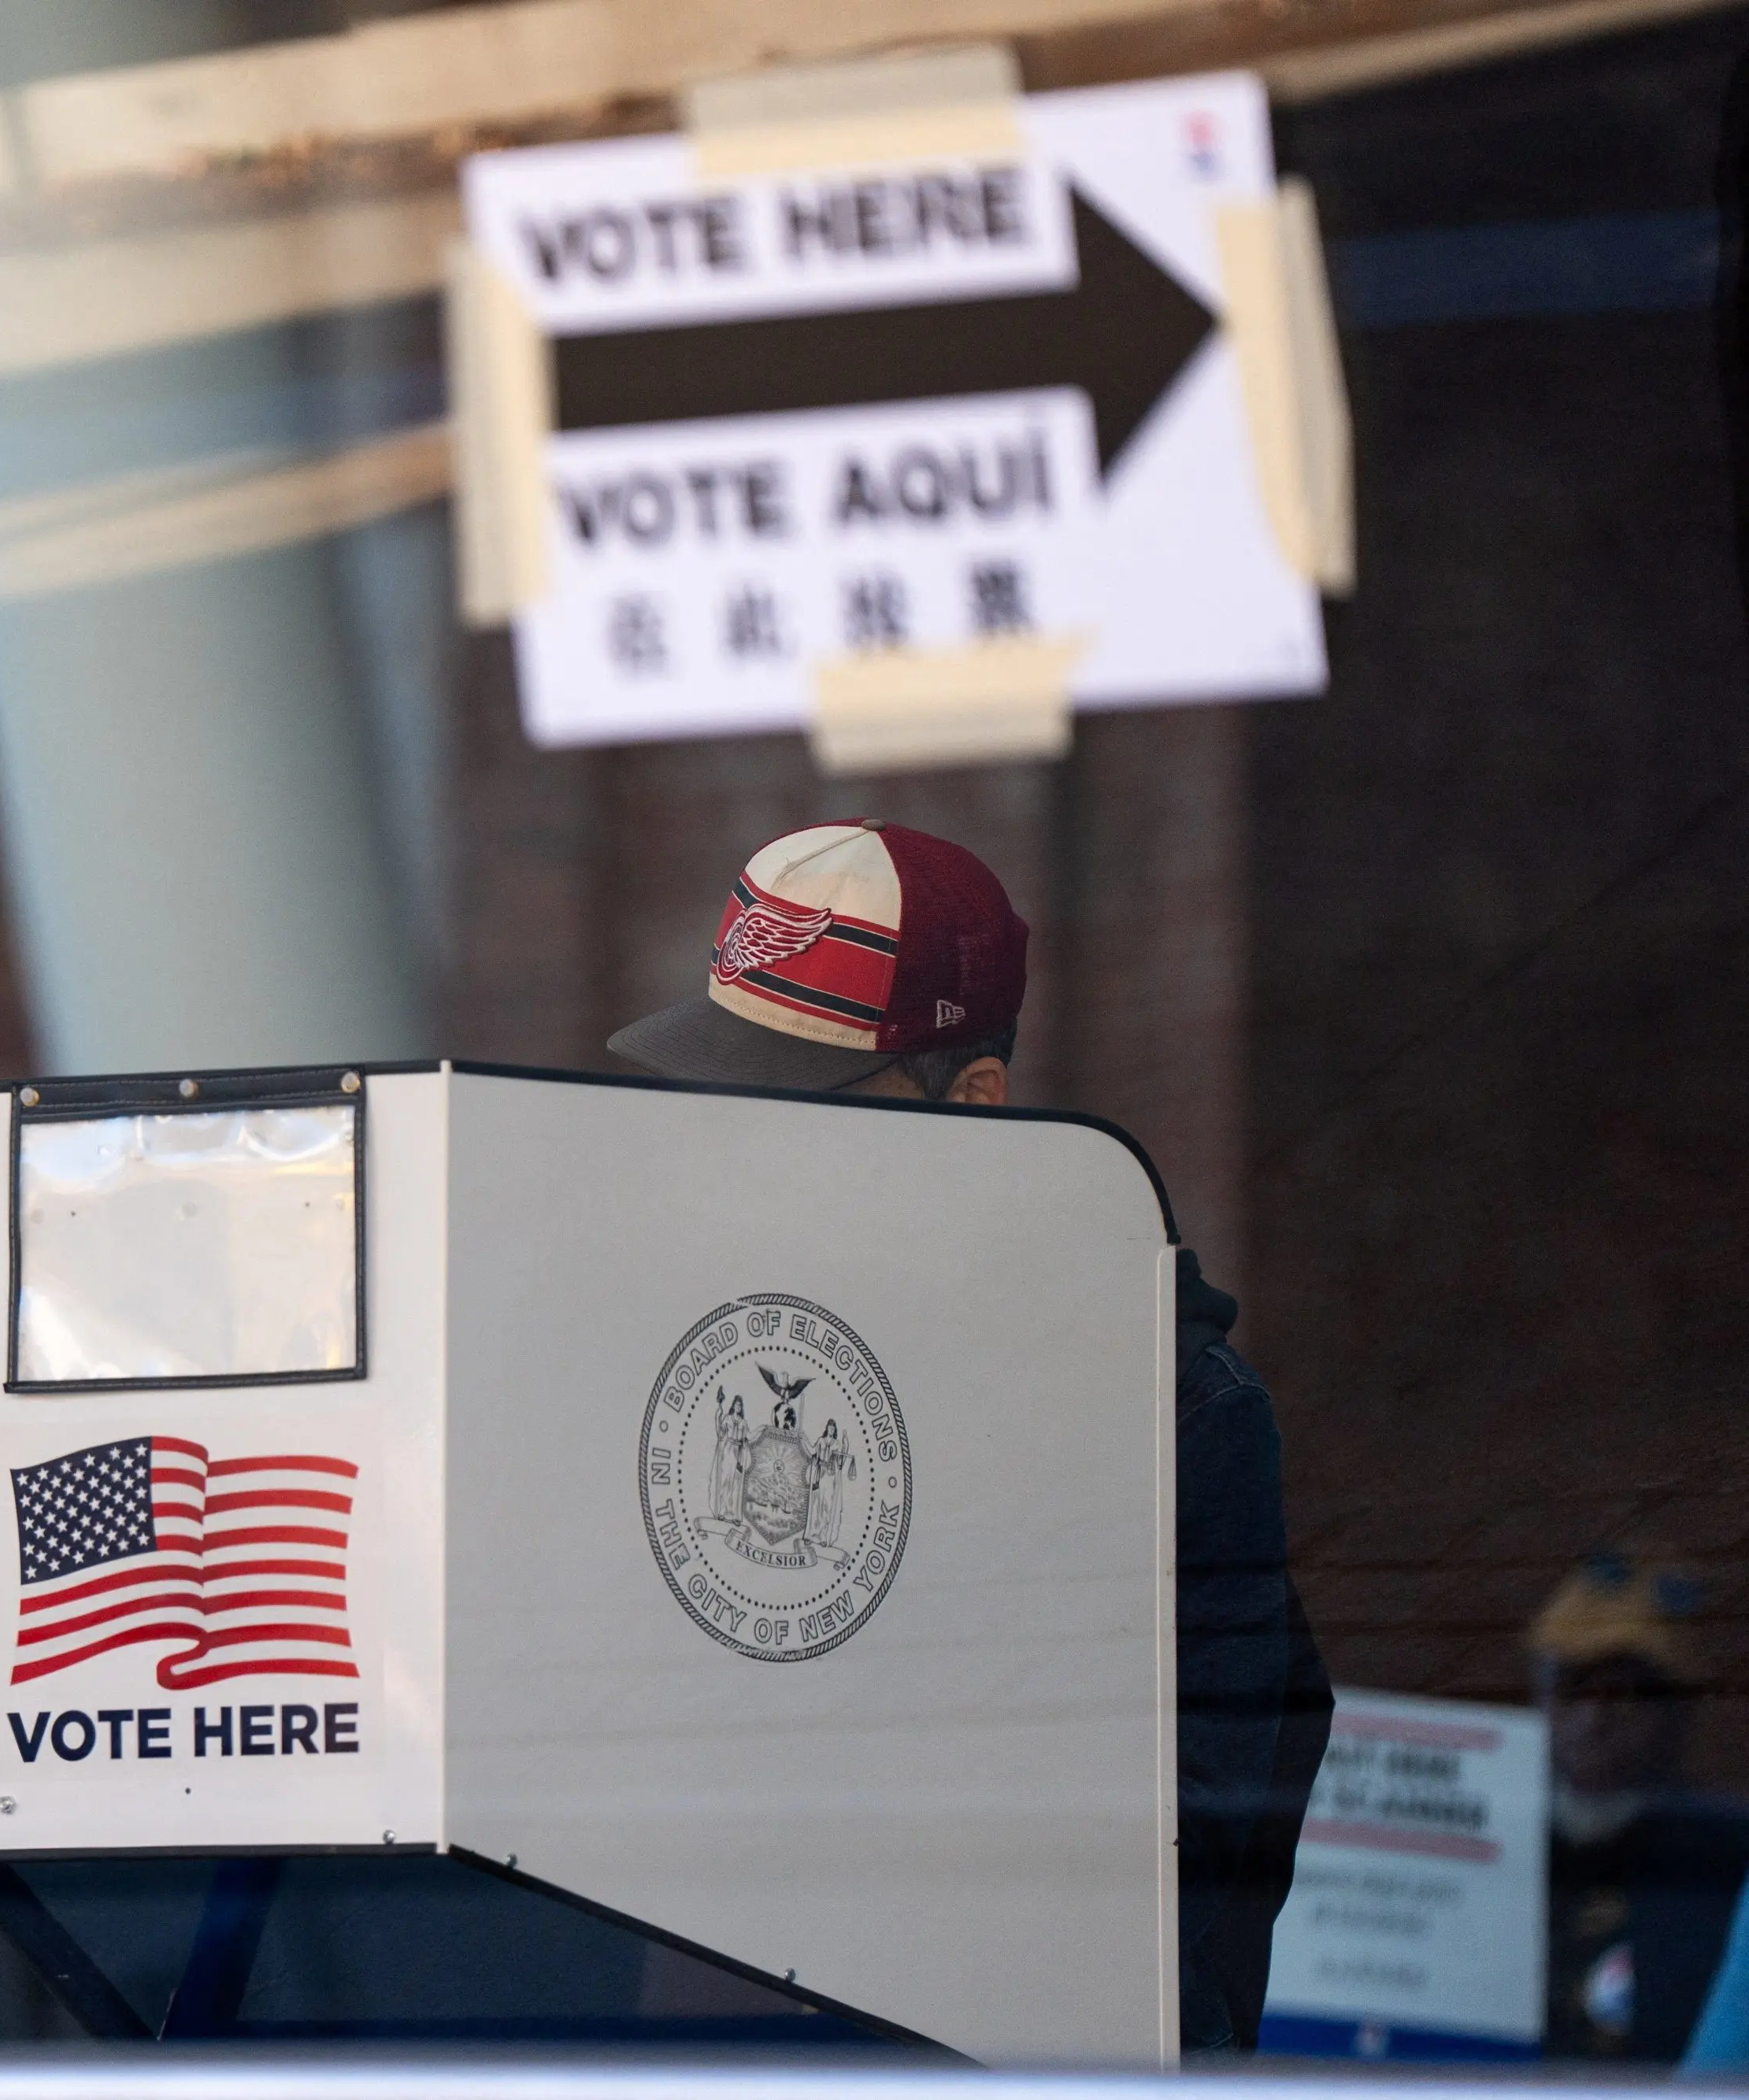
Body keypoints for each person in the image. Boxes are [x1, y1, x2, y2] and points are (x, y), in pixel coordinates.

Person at [607, 816, 1334, 2055]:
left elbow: (1156, 1866)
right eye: (717, 1101)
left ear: (976, 1103)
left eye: (797, 1107)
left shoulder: (1159, 1403)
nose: (741, 1150)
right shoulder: (689, 1350)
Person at [1515, 1553, 1748, 2061]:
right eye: (1576, 1686)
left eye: (1625, 1691)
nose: (1594, 1717)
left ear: (1677, 1709)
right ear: (1543, 1695)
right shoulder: (1495, 1840)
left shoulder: (1722, 1858)